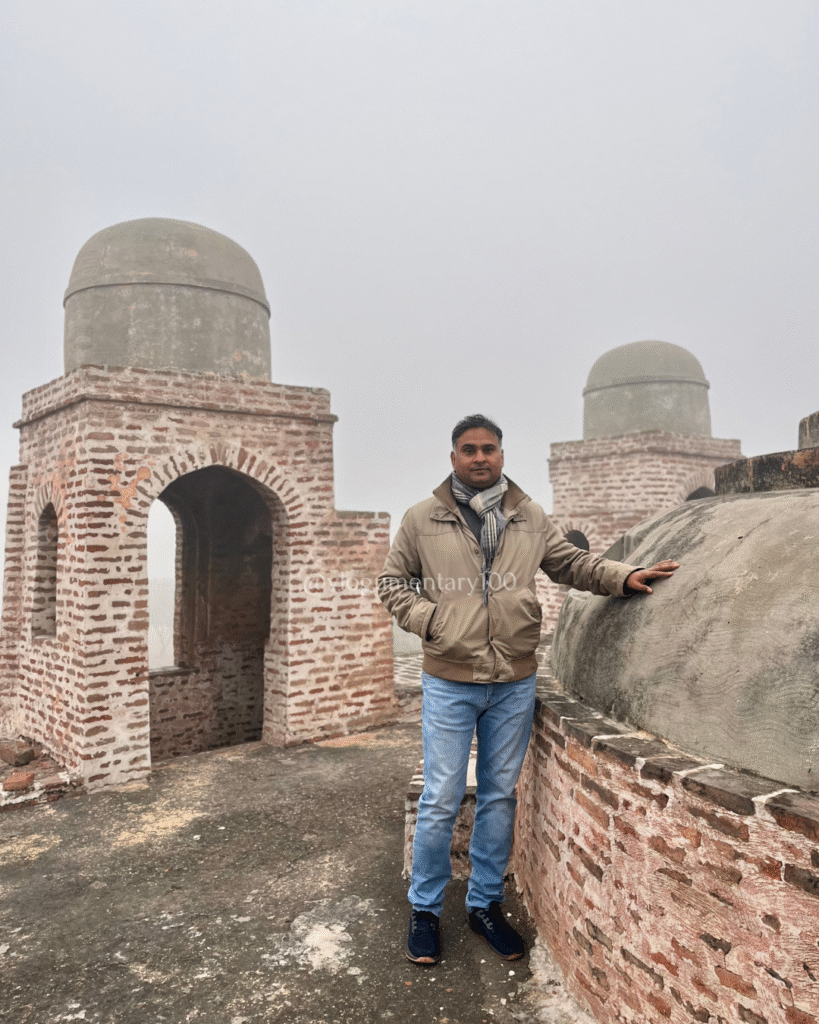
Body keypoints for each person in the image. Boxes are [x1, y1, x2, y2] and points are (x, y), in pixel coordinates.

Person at [378, 414, 678, 965]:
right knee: (441, 798)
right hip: (449, 678)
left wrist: (624, 576)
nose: (479, 458)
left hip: (514, 680)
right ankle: (424, 911)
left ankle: (484, 904)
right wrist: (432, 620)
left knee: (498, 796)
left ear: (500, 455)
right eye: (468, 449)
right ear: (453, 458)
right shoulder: (423, 519)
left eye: (488, 449)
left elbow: (570, 564)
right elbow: (392, 583)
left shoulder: (528, 516)